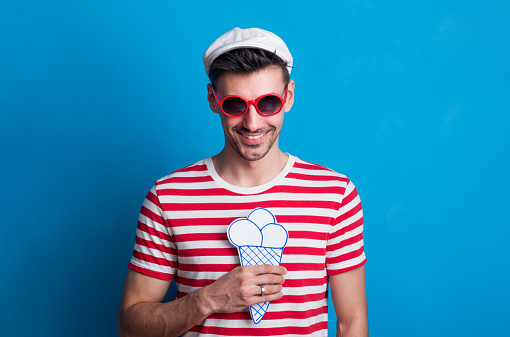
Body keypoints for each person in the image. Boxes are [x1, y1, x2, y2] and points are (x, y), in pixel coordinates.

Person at [118, 27, 368, 337]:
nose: (252, 123)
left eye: (268, 103)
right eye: (235, 105)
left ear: (288, 96)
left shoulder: (335, 195)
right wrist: (208, 299)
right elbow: (130, 327)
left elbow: (351, 323)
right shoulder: (167, 197)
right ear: (213, 99)